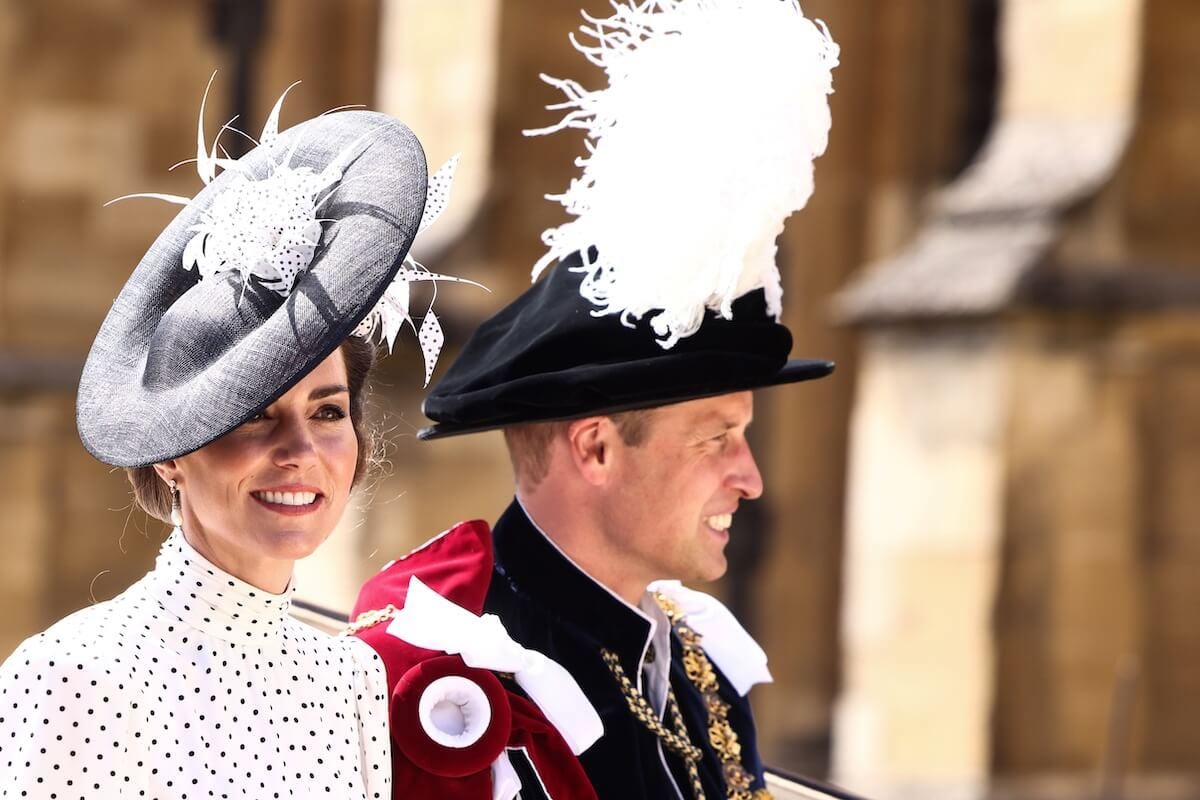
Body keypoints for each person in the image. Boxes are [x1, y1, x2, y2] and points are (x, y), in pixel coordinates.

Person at [349, 2, 863, 798]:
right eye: (715, 438)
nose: (751, 478)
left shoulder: (698, 668)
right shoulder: (445, 678)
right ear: (593, 449)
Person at [0, 78, 472, 798]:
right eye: (255, 415)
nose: (301, 453)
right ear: (172, 452)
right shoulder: (72, 677)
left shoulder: (350, 678)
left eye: (326, 412)